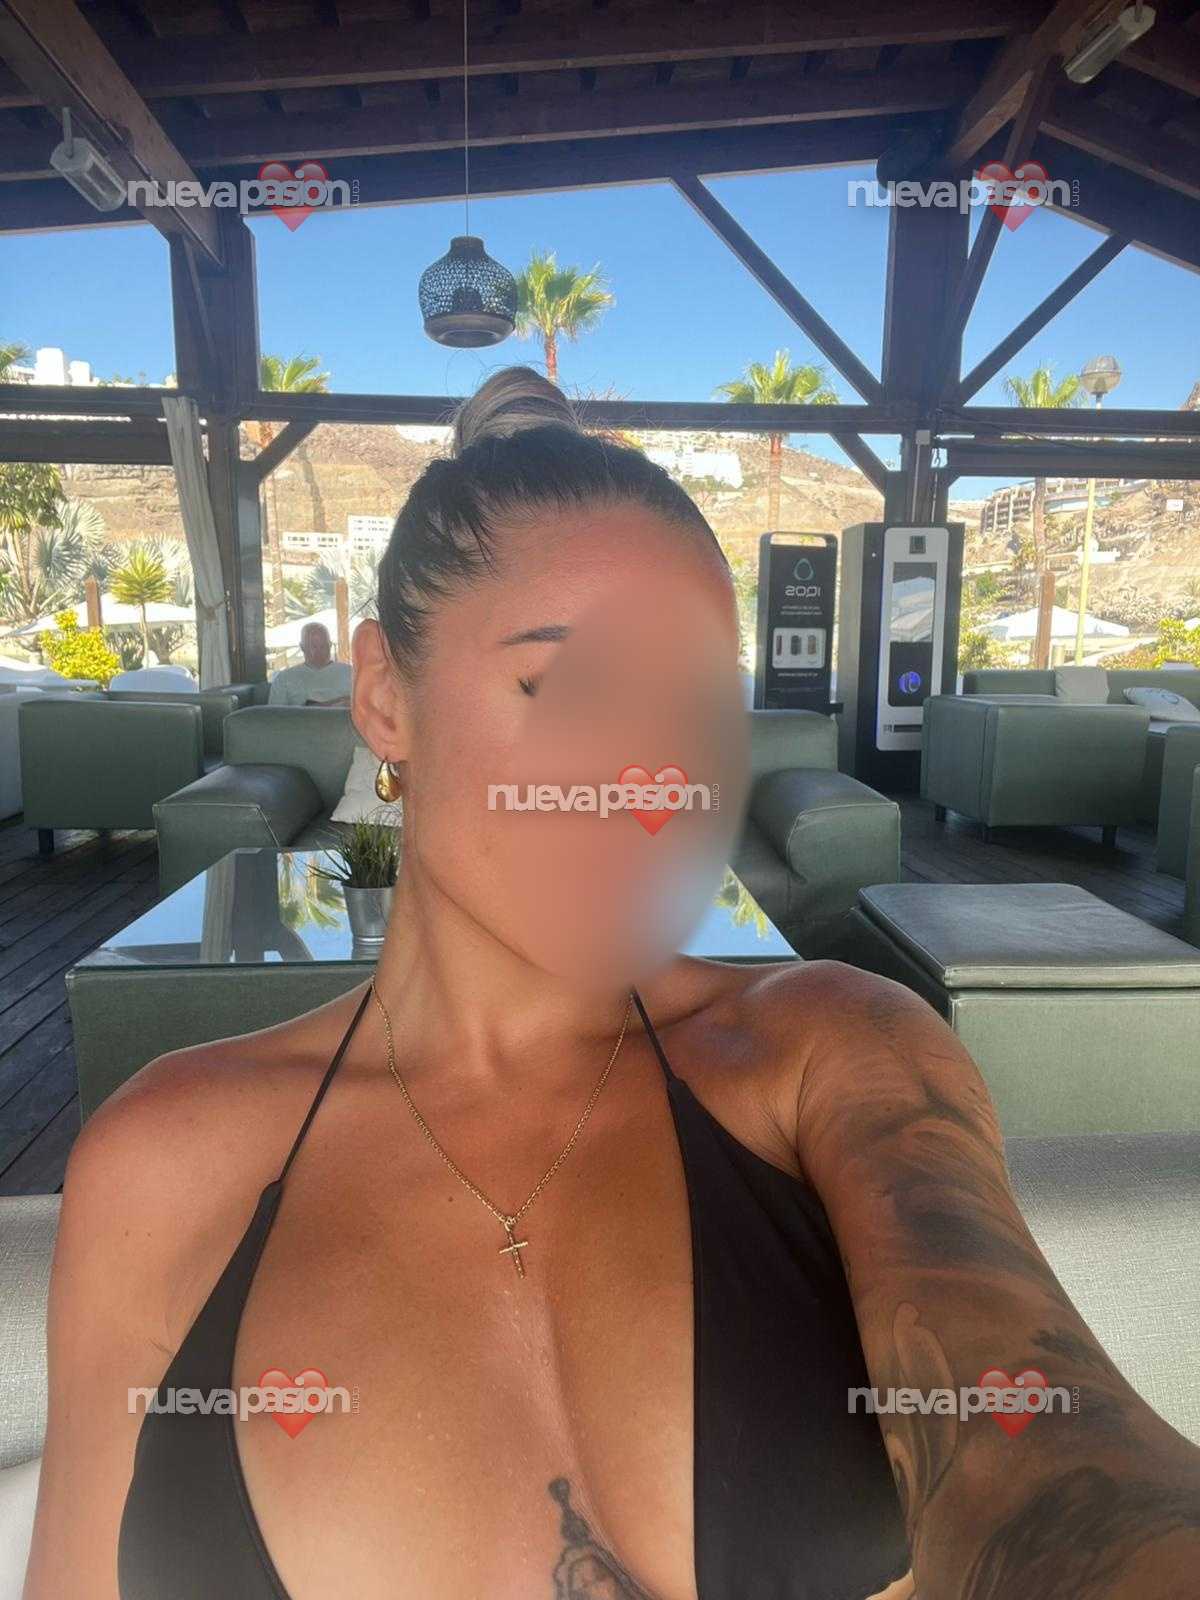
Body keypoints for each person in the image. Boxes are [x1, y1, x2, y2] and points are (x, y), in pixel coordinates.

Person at [26, 369, 1200, 1600]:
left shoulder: (828, 1054)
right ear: (383, 696)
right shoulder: (171, 1164)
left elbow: (1051, 1453)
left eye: (694, 711)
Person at [268, 620, 353, 705]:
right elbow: (275, 712)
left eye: (323, 646)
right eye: (313, 646)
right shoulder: (284, 679)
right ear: (302, 647)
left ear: (330, 645)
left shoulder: (351, 674)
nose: (318, 650)